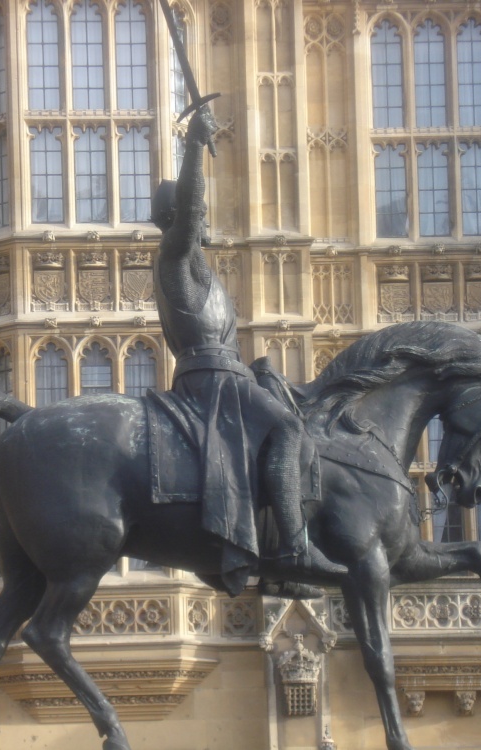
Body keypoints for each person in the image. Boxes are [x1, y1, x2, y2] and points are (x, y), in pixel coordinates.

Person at [151, 104, 346, 595]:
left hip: (229, 376)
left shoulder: (199, 271)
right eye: (196, 215)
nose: (205, 220)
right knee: (286, 429)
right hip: (212, 382)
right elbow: (191, 208)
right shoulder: (176, 261)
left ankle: (274, 554)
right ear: (177, 220)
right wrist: (194, 147)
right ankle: (294, 549)